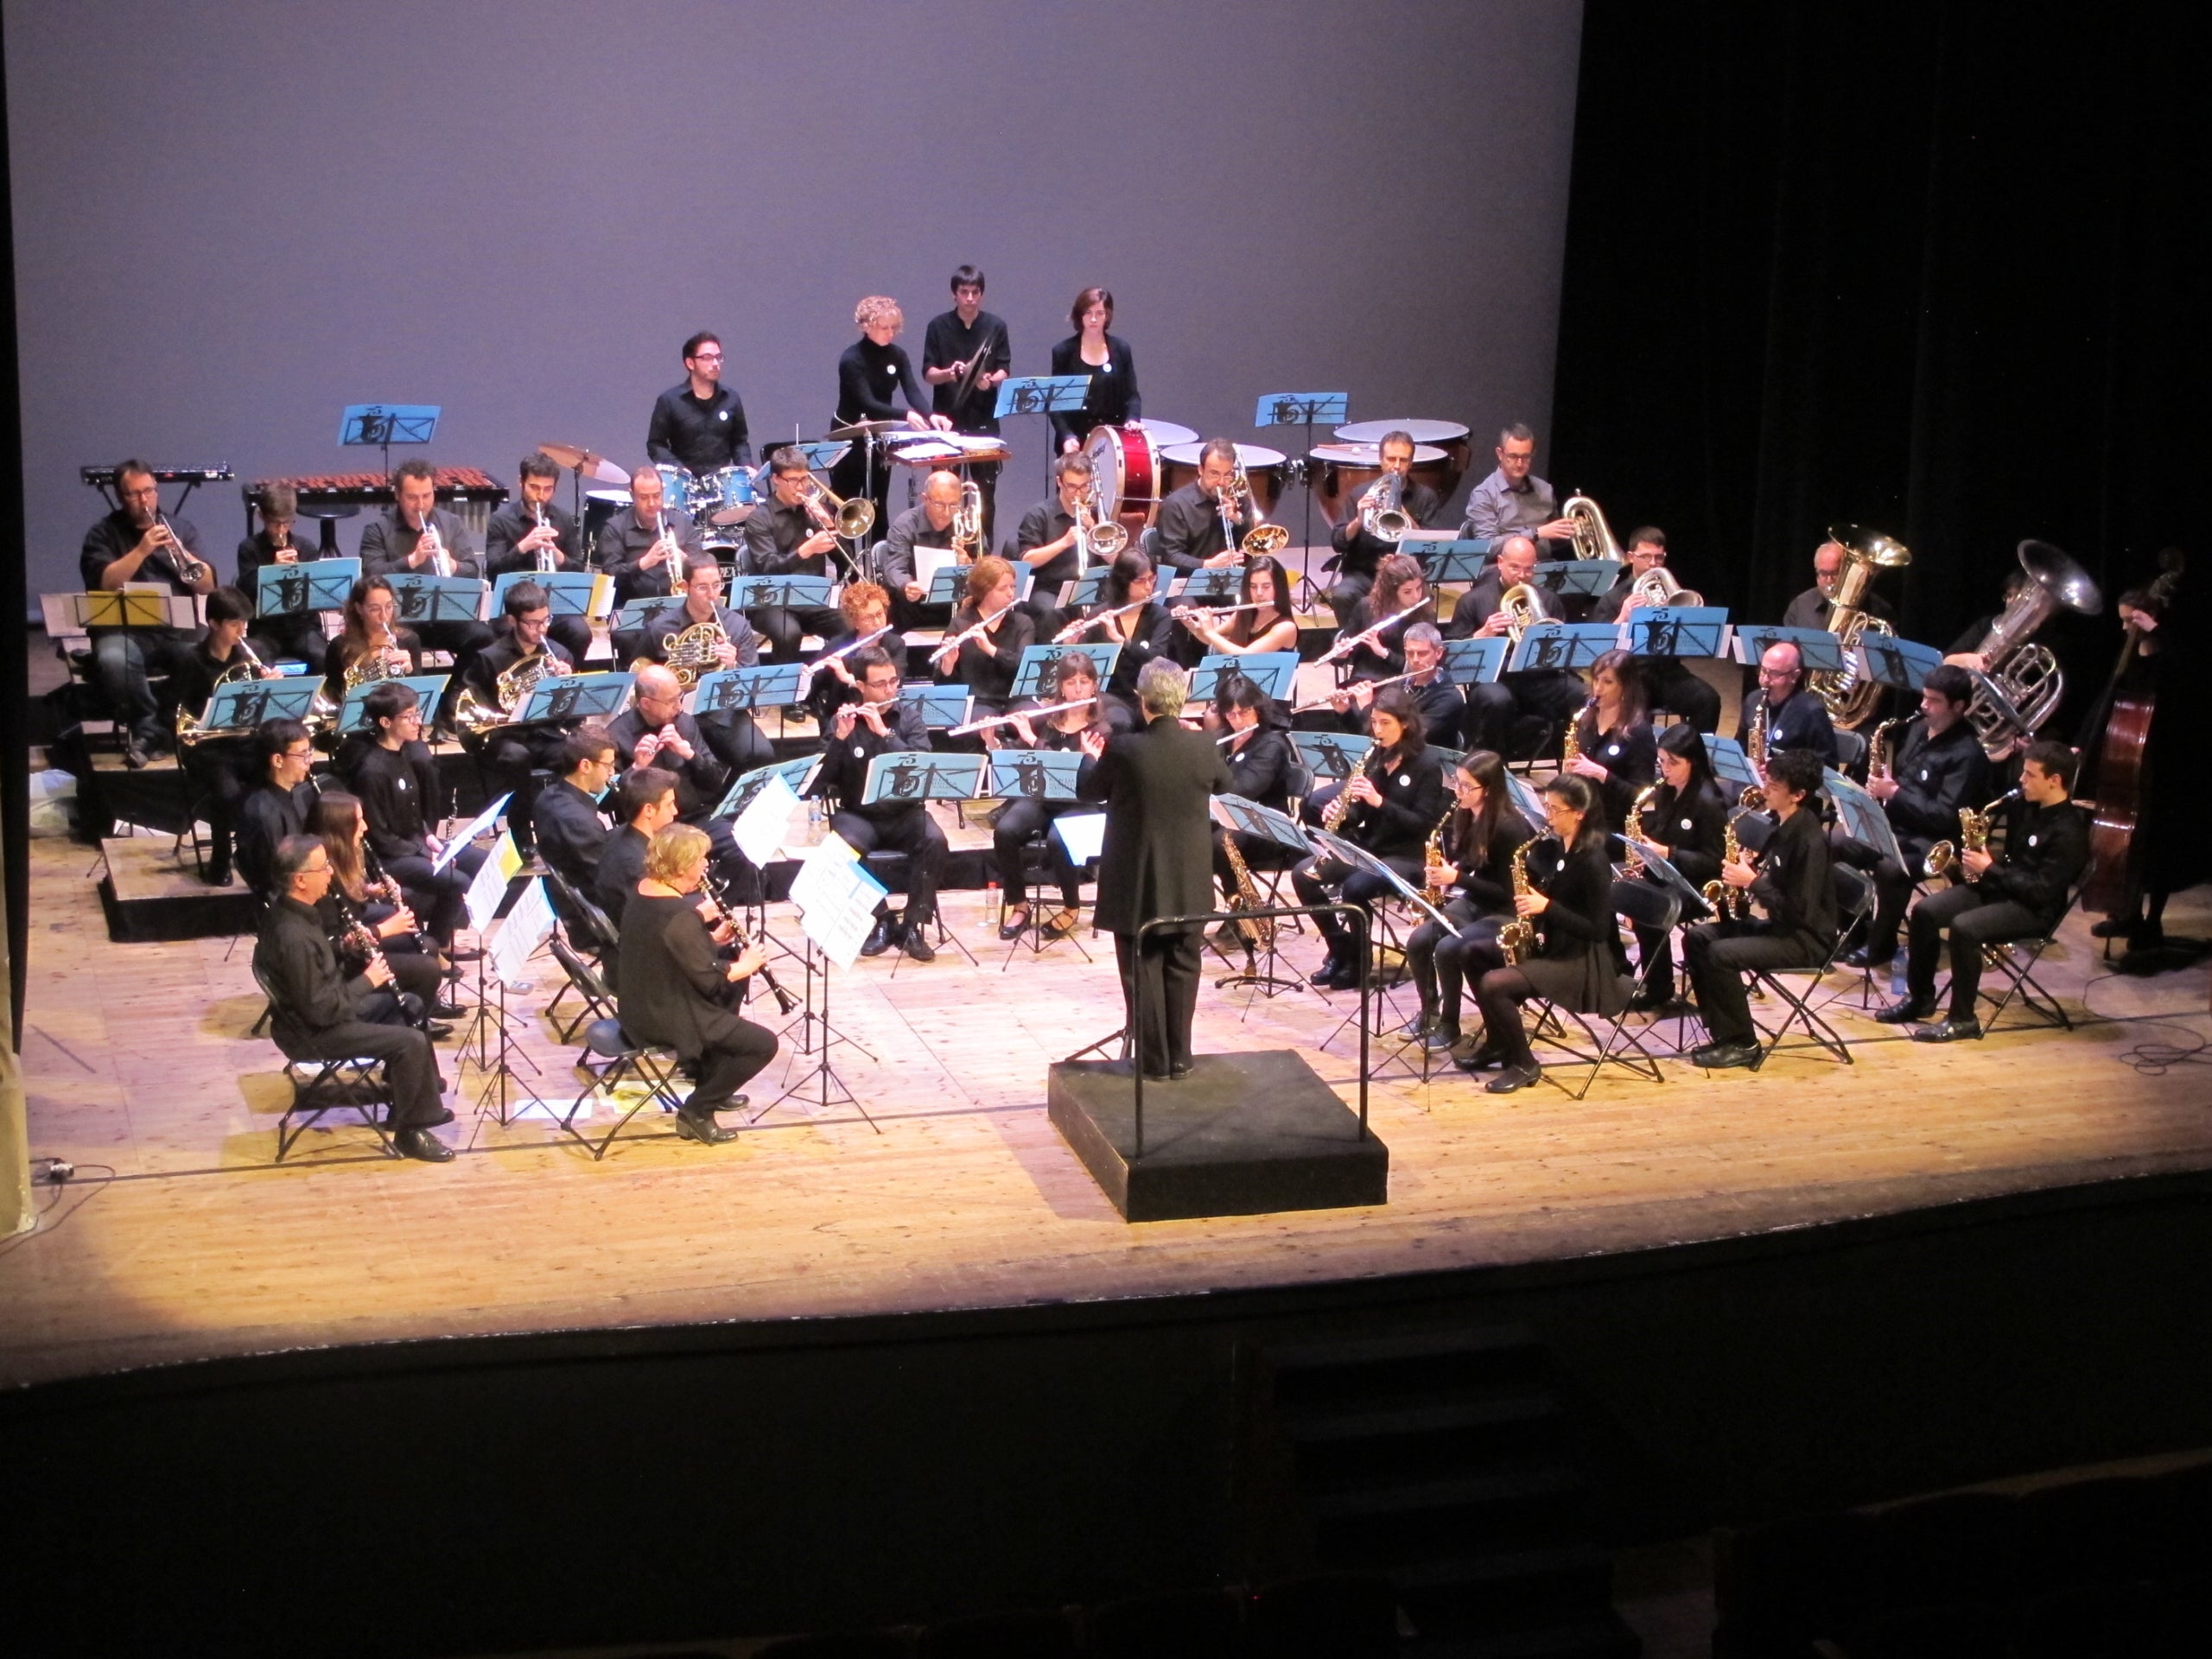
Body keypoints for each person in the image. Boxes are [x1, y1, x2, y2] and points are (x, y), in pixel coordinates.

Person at [1077, 658, 1231, 1078]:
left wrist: (1091, 759)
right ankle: (1181, 1057)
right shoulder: (1205, 744)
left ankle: (1154, 1062)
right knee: (1184, 966)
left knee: (1141, 969)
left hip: (1138, 883)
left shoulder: (1124, 748)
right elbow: (1226, 787)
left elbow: (1089, 792)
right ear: (1182, 699)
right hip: (1189, 880)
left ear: (1143, 700)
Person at [255, 835, 454, 1162]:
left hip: (325, 1012)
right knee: (409, 1042)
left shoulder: (296, 912)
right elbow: (321, 1010)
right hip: (315, 1032)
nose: (331, 873)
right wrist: (368, 980)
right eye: (324, 867)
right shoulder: (293, 936)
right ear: (300, 880)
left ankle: (412, 1098)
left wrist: (346, 948)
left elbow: (320, 972)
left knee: (413, 1006)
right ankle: (411, 1131)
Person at [1876, 741, 2089, 1041]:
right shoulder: (2026, 808)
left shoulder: (2069, 833)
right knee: (1924, 911)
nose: (2021, 780)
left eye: (2029, 775)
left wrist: (1989, 869)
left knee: (1965, 928)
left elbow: (2041, 892)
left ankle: (1963, 1019)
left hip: (2035, 909)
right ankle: (1920, 999)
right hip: (2001, 889)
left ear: (2055, 781)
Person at [614, 823, 779, 1145]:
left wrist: (712, 939)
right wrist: (746, 965)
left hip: (642, 1002)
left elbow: (671, 951)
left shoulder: (645, 890)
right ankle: (697, 1111)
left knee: (731, 990)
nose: (706, 864)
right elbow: (706, 979)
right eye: (701, 858)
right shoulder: (680, 916)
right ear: (681, 866)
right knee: (763, 1044)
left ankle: (713, 1084)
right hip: (665, 1014)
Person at [1469, 774, 1635, 1092]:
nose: (1549, 817)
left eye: (1556, 810)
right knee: (1471, 953)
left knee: (1494, 983)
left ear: (1580, 813)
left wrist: (1546, 907)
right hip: (1557, 946)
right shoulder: (1562, 847)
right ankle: (1498, 1042)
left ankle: (1524, 1063)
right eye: (1547, 807)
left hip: (1583, 963)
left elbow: (1598, 930)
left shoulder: (1593, 860)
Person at [1683, 748, 1837, 1070]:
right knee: (1697, 937)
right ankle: (1721, 1029)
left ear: (1798, 795)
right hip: (1782, 927)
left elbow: (1801, 912)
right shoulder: (1782, 825)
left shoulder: (1810, 841)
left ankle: (1743, 1043)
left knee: (1722, 954)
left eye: (1774, 787)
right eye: (1767, 781)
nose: (1765, 790)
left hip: (1805, 940)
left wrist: (1752, 882)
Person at [1834, 665, 1989, 968]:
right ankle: (1854, 928)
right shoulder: (1919, 729)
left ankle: (1882, 942)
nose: (1923, 705)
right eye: (1924, 697)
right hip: (1897, 824)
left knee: (1891, 870)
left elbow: (1945, 816)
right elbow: (1905, 779)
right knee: (1835, 842)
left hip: (1933, 840)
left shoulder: (1968, 756)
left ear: (1958, 707)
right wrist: (1883, 787)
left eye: (1933, 701)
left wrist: (1894, 794)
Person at [1292, 688, 1446, 991]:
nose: (1377, 730)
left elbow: (1423, 825)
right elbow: (1360, 809)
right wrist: (1341, 813)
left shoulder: (1427, 764)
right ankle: (1340, 948)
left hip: (1407, 855)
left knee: (1355, 887)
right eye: (1374, 722)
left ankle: (1360, 962)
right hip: (1371, 846)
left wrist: (1379, 802)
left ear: (1405, 724)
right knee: (1303, 875)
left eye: (1384, 723)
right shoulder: (1376, 756)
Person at [811, 646, 948, 962]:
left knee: (935, 840)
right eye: (880, 684)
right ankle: (881, 919)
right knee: (843, 847)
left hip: (905, 812)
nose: (890, 689)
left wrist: (886, 735)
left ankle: (913, 924)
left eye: (893, 681)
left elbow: (923, 766)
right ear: (860, 687)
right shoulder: (841, 722)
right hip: (859, 814)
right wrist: (840, 741)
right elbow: (821, 781)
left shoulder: (909, 718)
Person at [79, 458, 213, 765]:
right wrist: (141, 550)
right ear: (120, 496)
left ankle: (158, 727)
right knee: (113, 659)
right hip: (123, 629)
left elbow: (206, 585)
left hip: (175, 629)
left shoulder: (180, 528)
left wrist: (182, 553)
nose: (144, 499)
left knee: (204, 653)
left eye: (149, 491)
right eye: (134, 494)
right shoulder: (102, 534)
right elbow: (104, 584)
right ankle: (151, 727)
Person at [1402, 750, 1535, 1056]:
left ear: (1487, 789)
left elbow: (1506, 893)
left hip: (1503, 913)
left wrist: (1457, 877)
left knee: (1448, 949)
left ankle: (1450, 1024)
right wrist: (1445, 873)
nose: (1458, 792)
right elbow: (1468, 863)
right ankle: (1429, 1012)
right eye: (1457, 784)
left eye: (1466, 786)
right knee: (1419, 940)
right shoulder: (1464, 814)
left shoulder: (1509, 828)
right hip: (1474, 901)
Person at [985, 651, 1109, 941]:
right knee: (1005, 831)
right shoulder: (1048, 721)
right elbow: (1021, 760)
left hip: (1083, 801)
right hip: (1045, 796)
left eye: (1084, 682)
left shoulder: (1101, 728)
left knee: (1059, 838)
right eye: (1071, 683)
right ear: (1061, 687)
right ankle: (1019, 904)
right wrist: (993, 741)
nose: (1078, 689)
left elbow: (1084, 778)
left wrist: (1033, 739)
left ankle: (1071, 906)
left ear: (1094, 685)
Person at [353, 682, 486, 950]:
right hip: (390, 857)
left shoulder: (403, 754)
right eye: (409, 716)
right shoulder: (372, 771)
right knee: (456, 880)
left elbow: (414, 814)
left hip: (414, 845)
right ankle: (434, 947)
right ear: (385, 722)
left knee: (480, 860)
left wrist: (429, 838)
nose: (418, 723)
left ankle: (442, 938)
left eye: (418, 714)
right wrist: (425, 853)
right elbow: (381, 838)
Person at [306, 790, 454, 1028]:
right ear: (339, 829)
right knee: (427, 968)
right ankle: (409, 1023)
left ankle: (419, 1009)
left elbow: (349, 907)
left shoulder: (340, 859)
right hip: (341, 966)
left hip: (355, 946)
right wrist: (382, 930)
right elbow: (337, 942)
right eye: (358, 821)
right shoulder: (322, 877)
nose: (365, 827)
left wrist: (369, 891)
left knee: (429, 946)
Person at [607, 664, 753, 899]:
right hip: (656, 830)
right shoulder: (617, 735)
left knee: (743, 852)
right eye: (671, 701)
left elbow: (715, 781)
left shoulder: (684, 722)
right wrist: (636, 768)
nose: (679, 706)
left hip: (697, 816)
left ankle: (717, 916)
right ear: (646, 703)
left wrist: (689, 754)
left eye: (680, 697)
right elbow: (610, 804)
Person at [168, 587, 283, 885]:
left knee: (280, 777)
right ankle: (220, 860)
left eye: (245, 623)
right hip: (208, 747)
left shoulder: (251, 655)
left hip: (245, 741)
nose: (242, 631)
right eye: (235, 624)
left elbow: (265, 708)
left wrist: (269, 687)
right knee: (228, 793)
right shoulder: (190, 660)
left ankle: (264, 854)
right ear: (214, 623)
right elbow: (172, 709)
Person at [357, 459, 494, 692]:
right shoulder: (377, 529)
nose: (421, 504)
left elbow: (472, 568)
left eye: (427, 496)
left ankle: (450, 701)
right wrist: (412, 560)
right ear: (398, 495)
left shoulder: (451, 523)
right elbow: (371, 574)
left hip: (444, 616)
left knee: (483, 636)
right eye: (412, 497)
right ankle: (414, 705)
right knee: (408, 641)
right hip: (400, 619)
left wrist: (453, 566)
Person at [460, 581, 579, 847]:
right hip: (504, 736)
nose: (541, 629)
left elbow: (573, 717)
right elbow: (472, 706)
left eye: (546, 620)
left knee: (573, 753)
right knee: (518, 758)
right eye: (532, 623)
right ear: (513, 620)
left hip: (544, 731)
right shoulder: (490, 657)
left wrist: (567, 685)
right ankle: (520, 828)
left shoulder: (558, 654)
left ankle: (560, 830)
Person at [633, 554, 773, 775]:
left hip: (722, 713)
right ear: (684, 586)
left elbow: (752, 688)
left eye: (717, 585)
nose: (712, 594)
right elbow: (639, 674)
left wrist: (732, 665)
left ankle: (729, 804)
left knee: (761, 753)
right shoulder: (660, 627)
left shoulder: (737, 626)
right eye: (702, 587)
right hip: (675, 713)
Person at [1446, 534, 1584, 754]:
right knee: (1496, 700)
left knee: (1583, 694)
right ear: (1500, 563)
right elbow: (1453, 656)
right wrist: (1483, 633)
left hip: (1539, 677)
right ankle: (1492, 768)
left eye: (1529, 569)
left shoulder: (1548, 599)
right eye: (1515, 568)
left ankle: (1579, 763)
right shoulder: (1473, 600)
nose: (1522, 576)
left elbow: (1563, 649)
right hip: (1495, 678)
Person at [1624, 723, 1730, 1011]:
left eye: (1673, 763)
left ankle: (1659, 987)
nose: (1665, 769)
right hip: (1671, 874)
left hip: (1701, 886)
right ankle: (1650, 981)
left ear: (1692, 762)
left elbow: (1715, 860)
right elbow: (1662, 835)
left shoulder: (1709, 801)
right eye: (1661, 761)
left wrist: (1668, 852)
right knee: (1624, 894)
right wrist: (1646, 852)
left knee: (1649, 908)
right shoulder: (1668, 791)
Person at [1589, 527, 1723, 733]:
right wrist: (1623, 616)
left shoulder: (1672, 594)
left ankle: (1691, 759)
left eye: (1659, 558)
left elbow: (1690, 637)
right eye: (1646, 557)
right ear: (1631, 557)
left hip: (1667, 672)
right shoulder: (1612, 598)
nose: (1653, 563)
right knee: (1634, 714)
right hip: (1630, 675)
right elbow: (1599, 648)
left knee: (1708, 700)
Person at [833, 296, 950, 527]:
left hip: (878, 437)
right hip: (849, 437)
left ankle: (878, 561)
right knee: (846, 503)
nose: (890, 333)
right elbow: (867, 402)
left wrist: (930, 414)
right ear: (866, 326)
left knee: (877, 503)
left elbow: (912, 391)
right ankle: (845, 564)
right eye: (884, 327)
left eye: (894, 328)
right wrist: (905, 415)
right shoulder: (851, 359)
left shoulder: (897, 355)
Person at [740, 448, 850, 672]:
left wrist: (828, 523)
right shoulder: (759, 519)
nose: (801, 487)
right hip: (771, 601)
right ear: (776, 480)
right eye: (793, 481)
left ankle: (817, 679)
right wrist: (806, 550)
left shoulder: (814, 512)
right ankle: (788, 701)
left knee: (850, 626)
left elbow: (845, 561)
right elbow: (767, 567)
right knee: (788, 633)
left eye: (804, 479)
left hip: (812, 598)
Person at [921, 265, 1010, 537]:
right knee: (944, 493)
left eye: (975, 292)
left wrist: (990, 380)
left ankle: (983, 555)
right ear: (954, 295)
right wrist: (951, 373)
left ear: (981, 294)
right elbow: (928, 374)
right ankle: (945, 550)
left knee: (985, 495)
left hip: (984, 422)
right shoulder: (938, 326)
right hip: (948, 422)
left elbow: (1004, 370)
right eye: (964, 293)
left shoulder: (996, 326)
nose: (970, 298)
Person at [1325, 429, 1442, 626]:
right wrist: (1358, 521)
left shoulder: (1425, 497)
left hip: (1406, 576)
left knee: (1425, 604)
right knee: (1343, 595)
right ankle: (1355, 650)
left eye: (1403, 460)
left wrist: (1406, 517)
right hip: (1365, 572)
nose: (1396, 466)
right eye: (1391, 459)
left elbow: (1432, 547)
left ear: (1411, 463)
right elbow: (1338, 542)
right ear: (1381, 460)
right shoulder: (1359, 494)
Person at [484, 451, 593, 664]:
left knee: (580, 632)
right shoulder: (501, 520)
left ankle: (564, 680)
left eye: (547, 489)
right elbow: (493, 570)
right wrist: (523, 546)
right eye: (534, 487)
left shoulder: (563, 519)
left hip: (554, 607)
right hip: (515, 610)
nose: (540, 496)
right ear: (521, 483)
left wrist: (559, 556)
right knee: (506, 632)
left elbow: (579, 569)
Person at [1211, 674, 1299, 924]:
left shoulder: (1271, 744)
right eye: (1231, 714)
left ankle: (1242, 916)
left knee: (1222, 842)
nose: (1238, 721)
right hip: (1229, 819)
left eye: (1245, 712)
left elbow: (1243, 789)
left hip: (1266, 824)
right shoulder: (1222, 741)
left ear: (1257, 709)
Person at [233, 484, 335, 667]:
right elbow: (246, 594)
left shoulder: (306, 547)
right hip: (266, 629)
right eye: (275, 523)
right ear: (261, 516)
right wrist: (273, 571)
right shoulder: (249, 548)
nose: (281, 530)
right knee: (257, 663)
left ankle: (313, 694)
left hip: (303, 628)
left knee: (325, 658)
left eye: (286, 523)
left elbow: (317, 595)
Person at [1007, 453, 1103, 641]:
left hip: (1086, 587)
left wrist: (1094, 529)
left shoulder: (1095, 515)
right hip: (1047, 589)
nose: (1078, 493)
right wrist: (1064, 542)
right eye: (1072, 487)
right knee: (1052, 612)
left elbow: (1114, 558)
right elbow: (1027, 560)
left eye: (1084, 486)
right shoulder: (1039, 514)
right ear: (1059, 482)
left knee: (1107, 611)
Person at [1077, 549, 1177, 729]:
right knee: (1120, 722)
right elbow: (1080, 663)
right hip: (1110, 694)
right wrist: (1071, 644)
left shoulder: (1160, 615)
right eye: (1140, 581)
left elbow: (1157, 658)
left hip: (1147, 694)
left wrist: (1121, 641)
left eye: (1152, 579)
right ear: (1123, 582)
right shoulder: (1099, 615)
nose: (1149, 586)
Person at [1561, 650, 1656, 834]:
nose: (1598, 688)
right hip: (1583, 813)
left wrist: (1603, 775)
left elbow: (1640, 796)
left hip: (1614, 825)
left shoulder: (1638, 732)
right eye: (1596, 679)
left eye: (1608, 682)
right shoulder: (1586, 720)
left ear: (1626, 687)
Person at [931, 556, 1035, 719]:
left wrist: (991, 650)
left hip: (1016, 700)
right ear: (984, 592)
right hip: (978, 702)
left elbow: (1026, 668)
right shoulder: (960, 624)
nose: (1011, 593)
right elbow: (944, 687)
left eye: (1012, 587)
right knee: (987, 725)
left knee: (1035, 719)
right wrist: (948, 665)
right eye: (1003, 588)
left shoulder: (1023, 623)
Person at [646, 330, 753, 478]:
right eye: (707, 358)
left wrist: (746, 466)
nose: (715, 364)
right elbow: (656, 445)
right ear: (690, 363)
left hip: (722, 484)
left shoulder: (731, 398)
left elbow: (739, 442)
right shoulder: (669, 400)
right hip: (684, 484)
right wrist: (679, 469)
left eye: (718, 357)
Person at [1049, 286, 1141, 454]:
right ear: (1080, 315)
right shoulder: (1063, 352)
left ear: (1107, 316)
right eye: (1088, 313)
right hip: (1075, 442)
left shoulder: (1121, 349)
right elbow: (1056, 405)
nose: (1093, 319)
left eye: (1099, 313)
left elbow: (1132, 395)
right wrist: (1067, 436)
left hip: (1113, 440)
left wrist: (1132, 419)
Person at [599, 464, 703, 612]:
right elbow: (610, 576)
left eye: (656, 495)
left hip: (678, 609)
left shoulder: (682, 522)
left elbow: (703, 565)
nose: (652, 503)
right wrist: (644, 563)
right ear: (632, 496)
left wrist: (685, 559)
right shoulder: (615, 528)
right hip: (632, 608)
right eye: (644, 497)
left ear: (663, 492)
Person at [595, 766, 680, 944]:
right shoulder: (638, 864)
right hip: (645, 948)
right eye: (669, 804)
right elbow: (659, 923)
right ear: (648, 810)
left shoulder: (616, 835)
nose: (675, 811)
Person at [532, 725, 619, 899]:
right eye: (608, 765)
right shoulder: (582, 823)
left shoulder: (547, 796)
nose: (612, 772)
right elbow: (609, 882)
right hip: (595, 904)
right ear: (585, 766)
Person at [1458, 423, 1579, 547]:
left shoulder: (1545, 490)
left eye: (1526, 457)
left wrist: (1574, 531)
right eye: (1513, 456)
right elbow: (1487, 546)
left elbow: (1555, 541)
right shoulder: (1484, 495)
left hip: (1543, 564)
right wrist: (1536, 534)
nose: (1520, 464)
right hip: (1503, 566)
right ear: (1500, 454)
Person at [237, 718, 318, 898]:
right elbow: (275, 880)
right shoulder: (263, 812)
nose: (310, 761)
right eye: (303, 754)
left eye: (309, 752)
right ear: (278, 760)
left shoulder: (296, 794)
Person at [876, 467, 963, 626]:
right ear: (925, 499)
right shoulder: (905, 525)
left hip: (953, 604)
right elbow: (894, 568)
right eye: (939, 504)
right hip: (913, 605)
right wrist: (907, 585)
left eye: (953, 505)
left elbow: (986, 566)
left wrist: (968, 562)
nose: (946, 513)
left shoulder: (965, 525)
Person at [1154, 437, 1255, 571]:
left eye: (1227, 474)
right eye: (1214, 474)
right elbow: (1171, 556)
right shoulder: (1176, 504)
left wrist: (1236, 519)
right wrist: (1207, 565)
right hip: (1187, 583)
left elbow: (1251, 544)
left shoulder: (1239, 499)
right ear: (1200, 470)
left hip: (1232, 581)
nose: (1221, 482)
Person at [1336, 554, 1439, 684]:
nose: (1416, 597)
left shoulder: (1425, 615)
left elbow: (1423, 668)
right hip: (1365, 681)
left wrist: (1384, 653)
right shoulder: (1366, 607)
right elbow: (1339, 661)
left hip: (1404, 683)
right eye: (1407, 592)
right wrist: (1342, 654)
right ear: (1391, 592)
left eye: (1418, 588)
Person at [322, 574, 422, 709]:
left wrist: (410, 670)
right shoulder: (340, 646)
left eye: (389, 606)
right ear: (359, 609)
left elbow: (417, 697)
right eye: (375, 609)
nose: (384, 616)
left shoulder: (409, 641)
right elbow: (334, 696)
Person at [806, 579, 895, 728]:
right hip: (843, 719)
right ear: (855, 622)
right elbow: (813, 687)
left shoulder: (895, 645)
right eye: (868, 617)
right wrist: (805, 677)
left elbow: (894, 685)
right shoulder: (837, 645)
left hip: (884, 717)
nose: (877, 622)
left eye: (880, 614)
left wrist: (848, 678)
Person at [1179, 553, 1299, 660]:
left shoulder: (1286, 627)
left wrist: (1210, 631)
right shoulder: (1243, 614)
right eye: (1253, 586)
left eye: (1266, 587)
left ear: (1279, 588)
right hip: (1241, 681)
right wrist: (1193, 626)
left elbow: (1246, 656)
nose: (1259, 593)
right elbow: (1210, 640)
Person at [1741, 639, 1838, 769]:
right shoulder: (1752, 700)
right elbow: (1741, 746)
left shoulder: (1812, 712)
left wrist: (1782, 769)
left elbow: (1828, 765)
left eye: (1774, 674)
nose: (1765, 680)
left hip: (1792, 786)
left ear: (1794, 676)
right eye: (1763, 671)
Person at [1781, 537, 1891, 633]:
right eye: (1823, 573)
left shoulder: (1878, 607)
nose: (1829, 580)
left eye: (1835, 573)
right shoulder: (1801, 606)